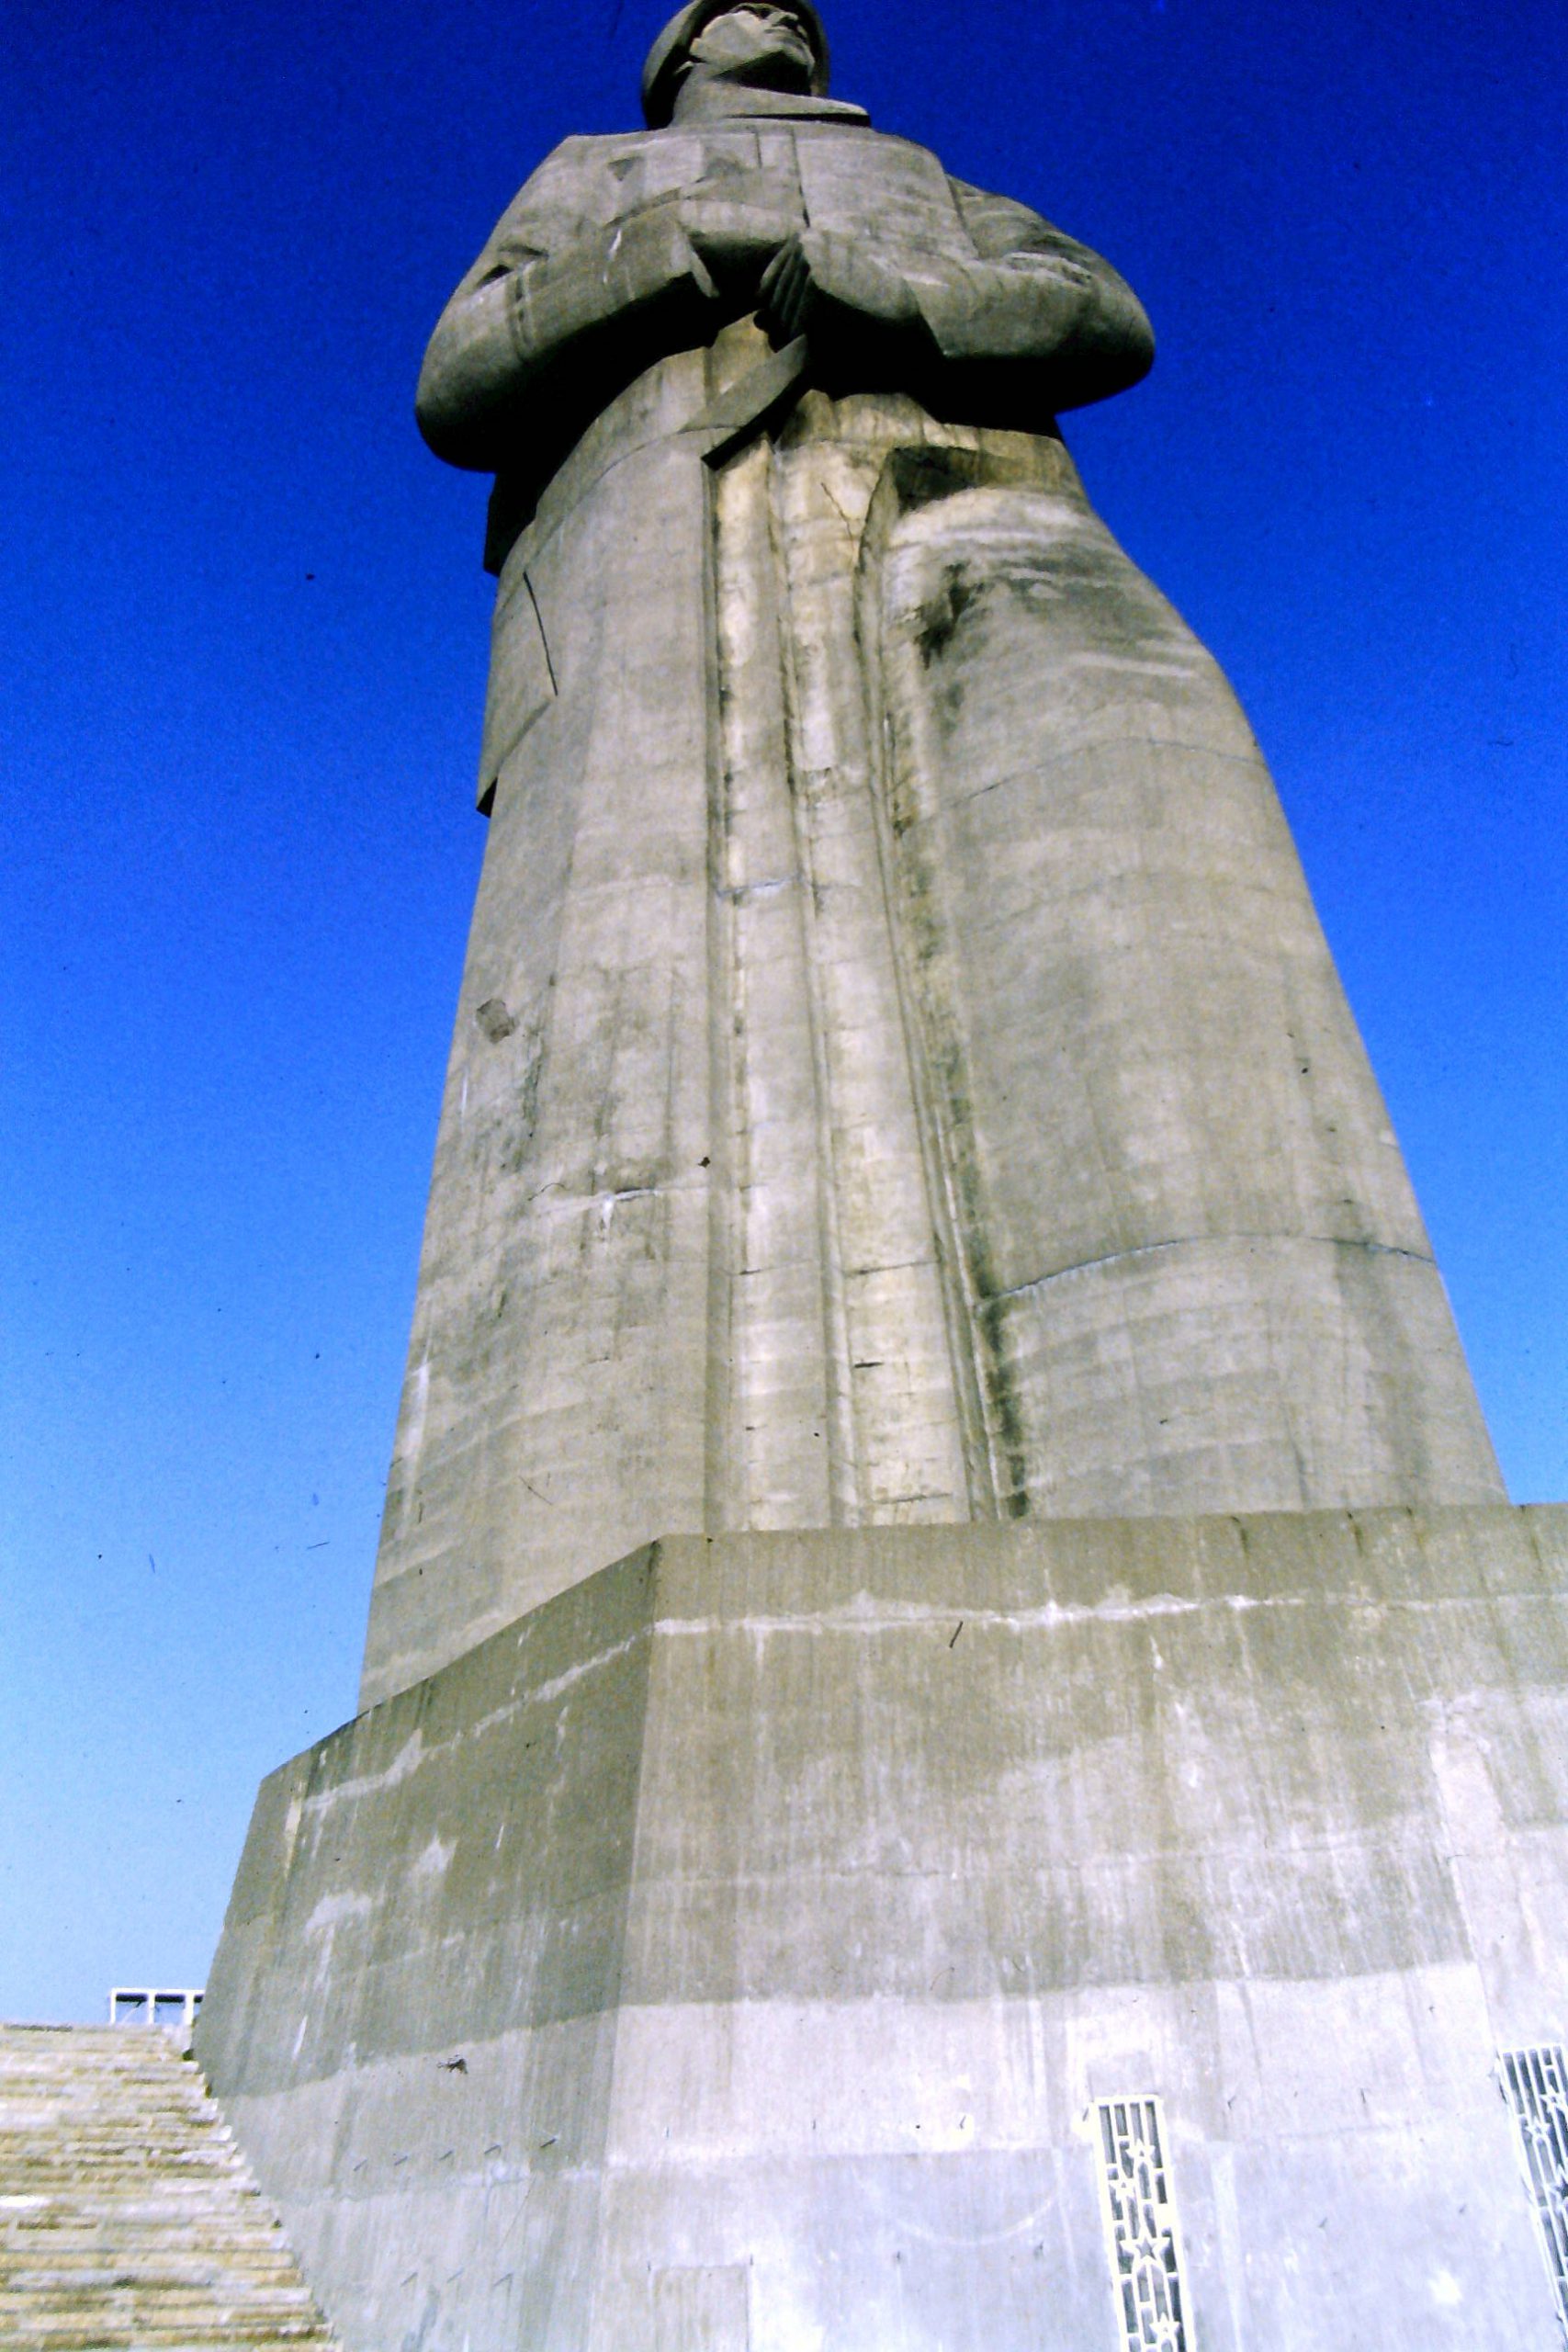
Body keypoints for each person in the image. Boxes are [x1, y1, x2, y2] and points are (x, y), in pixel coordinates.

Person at [362, 0, 1501, 1711]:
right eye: (722, 2)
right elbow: (463, 374)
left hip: (974, 514)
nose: (766, 12)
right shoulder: (591, 172)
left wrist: (902, 294)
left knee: (1128, 938)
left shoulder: (921, 176)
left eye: (786, 1)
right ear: (671, 56)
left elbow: (1098, 311)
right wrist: (683, 252)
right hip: (664, 575)